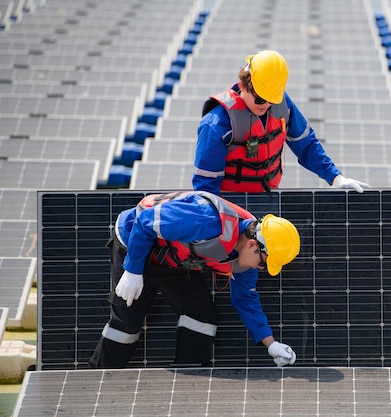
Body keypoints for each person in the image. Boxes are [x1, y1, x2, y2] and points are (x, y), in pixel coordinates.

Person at [88, 190, 300, 369]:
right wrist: (133, 270)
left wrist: (270, 344)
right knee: (125, 325)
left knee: (202, 316)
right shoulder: (206, 220)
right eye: (264, 263)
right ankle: (100, 379)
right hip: (136, 245)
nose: (261, 268)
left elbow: (246, 301)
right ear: (253, 245)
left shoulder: (246, 261)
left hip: (174, 262)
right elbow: (145, 222)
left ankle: (187, 381)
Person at [193, 49, 371, 195]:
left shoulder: (282, 105)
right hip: (231, 207)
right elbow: (206, 189)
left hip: (269, 199)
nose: (267, 105)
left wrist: (336, 178)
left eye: (272, 99)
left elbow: (306, 145)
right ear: (243, 86)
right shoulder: (216, 124)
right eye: (261, 99)